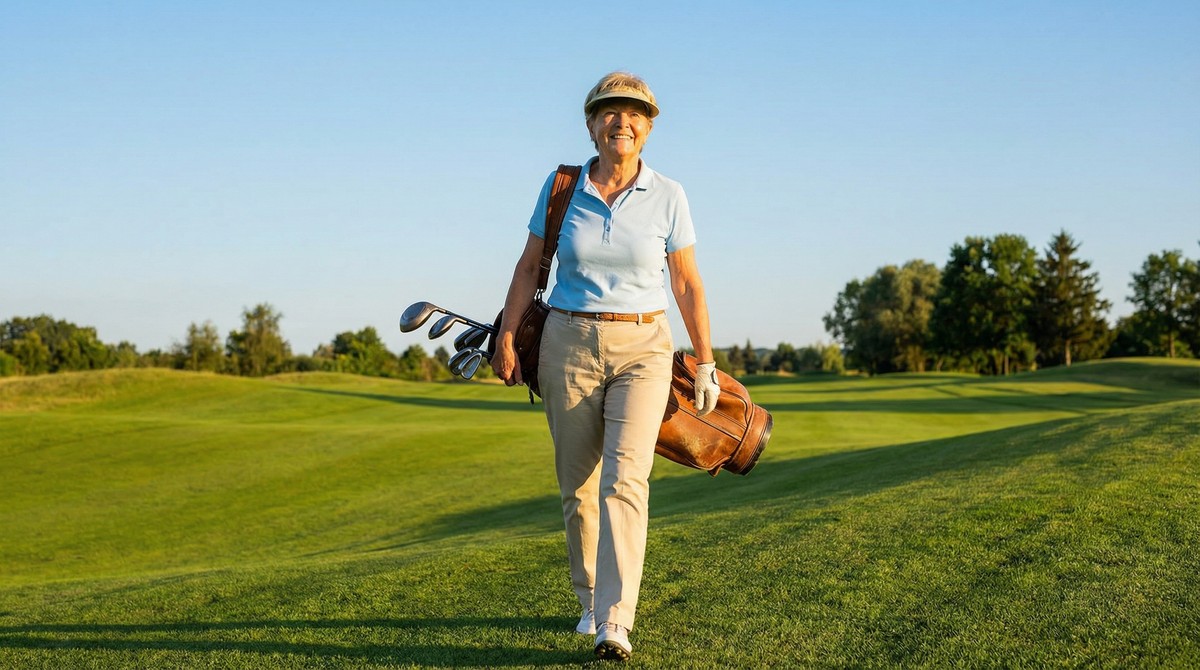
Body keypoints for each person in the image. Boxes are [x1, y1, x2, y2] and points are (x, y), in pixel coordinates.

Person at [491, 71, 721, 662]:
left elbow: (687, 282)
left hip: (644, 346)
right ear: (591, 125)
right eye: (610, 113)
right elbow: (528, 266)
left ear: (648, 127)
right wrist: (508, 334)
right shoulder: (562, 185)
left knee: (627, 480)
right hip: (568, 343)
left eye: (635, 114)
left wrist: (704, 364)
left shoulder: (669, 194)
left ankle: (616, 621)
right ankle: (591, 600)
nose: (623, 122)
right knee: (580, 486)